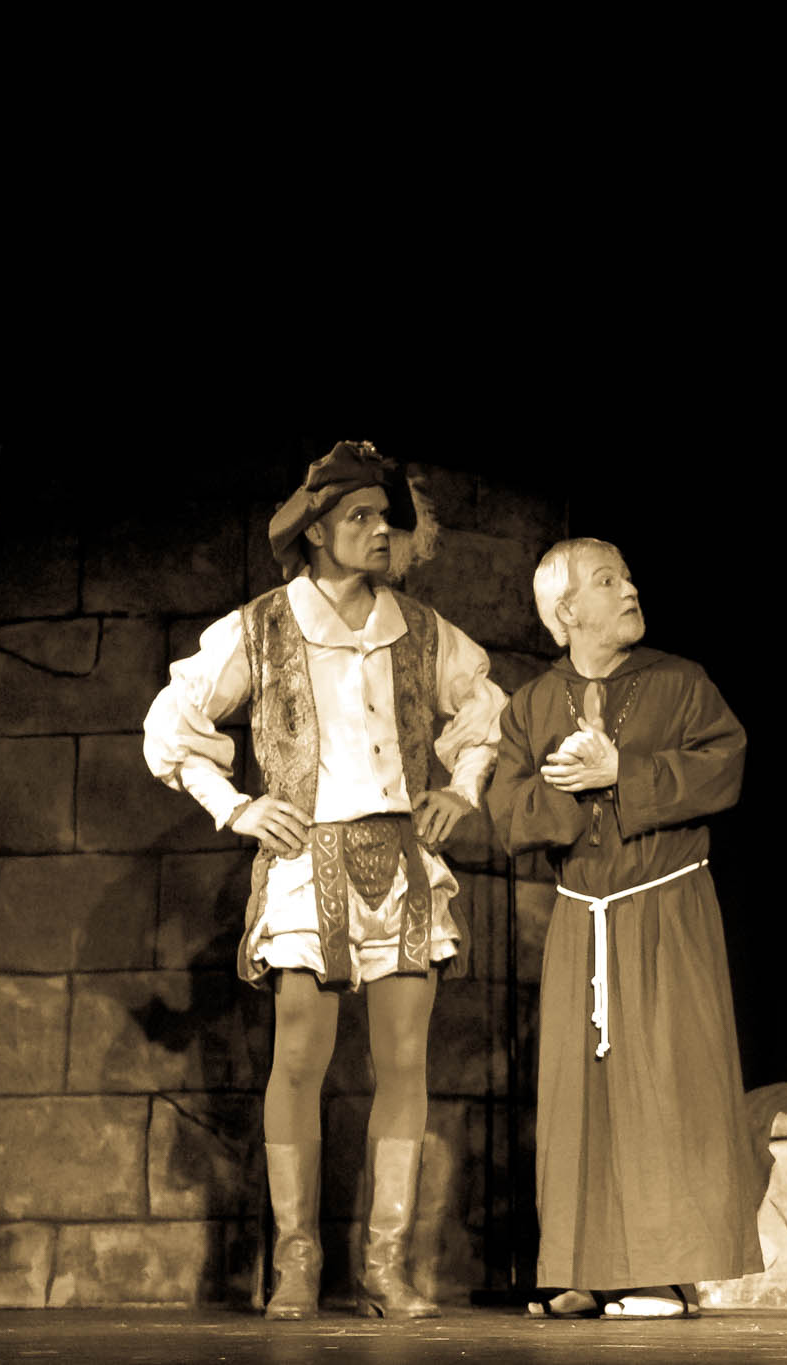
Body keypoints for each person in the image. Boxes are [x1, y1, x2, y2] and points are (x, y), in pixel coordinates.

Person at [142, 441, 506, 1320]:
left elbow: (483, 706)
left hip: (401, 860)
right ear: (315, 530)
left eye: (385, 517)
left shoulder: (419, 629)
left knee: (405, 1062)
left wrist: (462, 789)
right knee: (299, 1059)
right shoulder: (264, 626)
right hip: (311, 861)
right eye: (360, 517)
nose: (380, 532)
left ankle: (385, 1265)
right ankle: (297, 1262)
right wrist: (235, 806)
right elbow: (173, 719)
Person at [485, 538, 760, 1320]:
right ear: (567, 610)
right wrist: (571, 789)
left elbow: (725, 764)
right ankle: (587, 1266)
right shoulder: (532, 705)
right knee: (582, 1098)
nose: (631, 588)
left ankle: (665, 1273)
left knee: (668, 1086)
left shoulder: (681, 681)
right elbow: (507, 812)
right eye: (609, 580)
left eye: (629, 576)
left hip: (667, 909)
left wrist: (622, 774)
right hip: (584, 919)